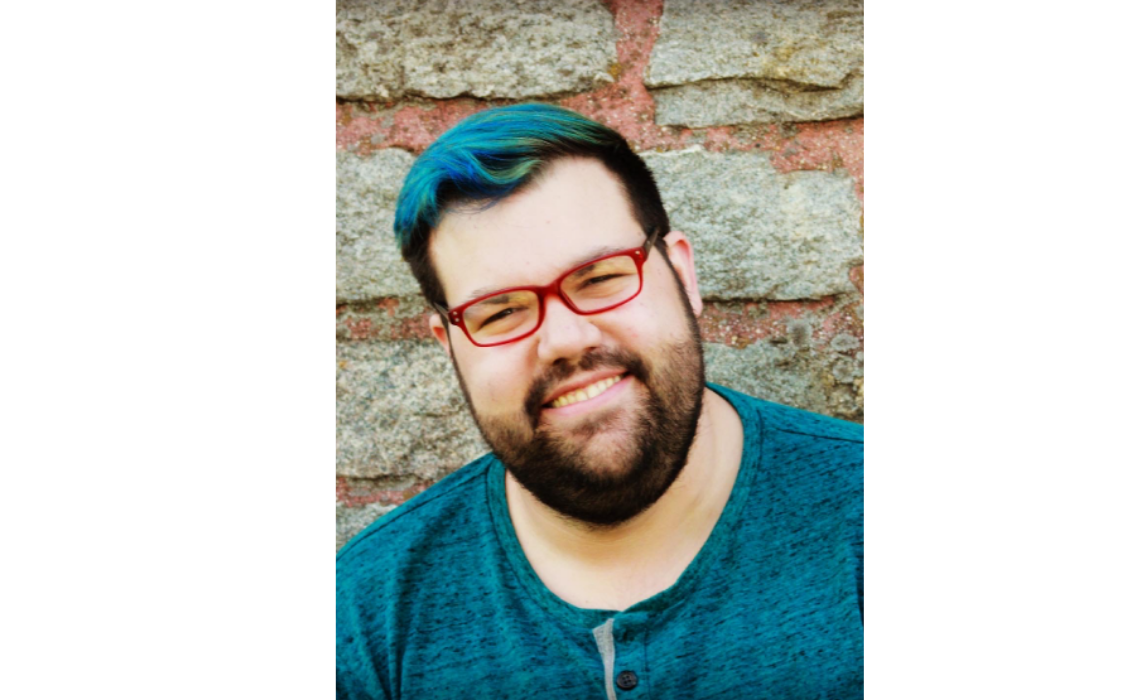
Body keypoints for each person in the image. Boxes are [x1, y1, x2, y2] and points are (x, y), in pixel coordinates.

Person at [336, 104, 863, 699]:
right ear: (452, 345)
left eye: (600, 278)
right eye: (501, 312)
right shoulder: (362, 620)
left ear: (683, 275)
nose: (564, 340)